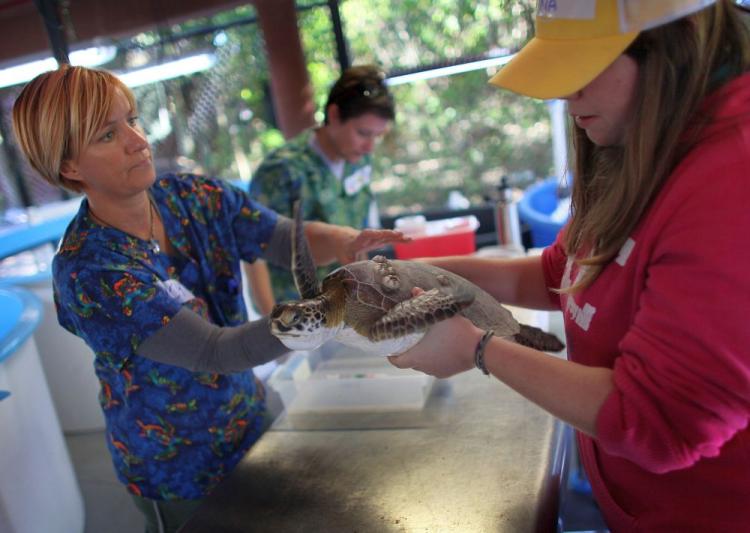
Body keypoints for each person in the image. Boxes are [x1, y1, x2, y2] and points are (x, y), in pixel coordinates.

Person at [389, 1, 750, 531]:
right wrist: (417, 275)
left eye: (584, 65)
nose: (564, 92)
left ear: (679, 41)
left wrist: (478, 348)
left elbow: (658, 421)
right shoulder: (643, 141)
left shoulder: (731, 182)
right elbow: (558, 274)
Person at [11, 65, 406, 533]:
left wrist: (343, 242)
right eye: (107, 135)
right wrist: (330, 311)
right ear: (69, 166)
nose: (138, 141)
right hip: (178, 466)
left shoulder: (191, 196)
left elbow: (279, 238)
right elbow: (213, 351)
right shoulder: (91, 271)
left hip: (247, 417)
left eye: (133, 120)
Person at [246, 64, 396, 314]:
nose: (370, 146)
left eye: (377, 136)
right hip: (296, 310)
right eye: (363, 133)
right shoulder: (283, 170)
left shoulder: (358, 158)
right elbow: (252, 250)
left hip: (346, 302)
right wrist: (273, 326)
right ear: (334, 115)